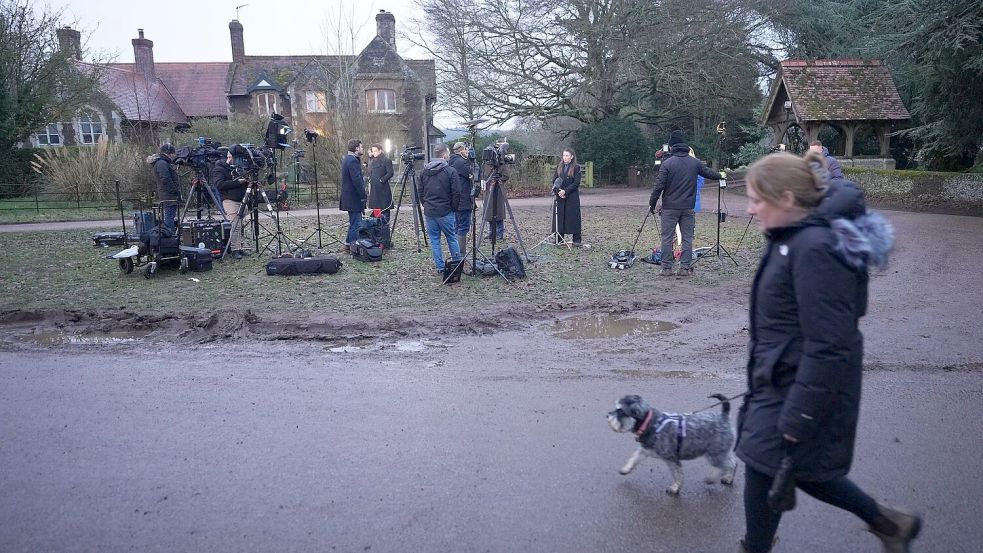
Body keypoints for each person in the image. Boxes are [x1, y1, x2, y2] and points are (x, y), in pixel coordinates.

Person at [736, 150, 920, 553]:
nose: (750, 211)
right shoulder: (793, 237)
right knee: (798, 468)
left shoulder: (816, 248)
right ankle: (889, 523)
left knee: (764, 465)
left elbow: (831, 343)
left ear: (786, 199)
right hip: (781, 378)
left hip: (799, 387)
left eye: (756, 200)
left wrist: (799, 414)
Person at [649, 131, 722, 276]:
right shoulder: (695, 163)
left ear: (671, 147)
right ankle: (684, 268)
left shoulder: (667, 163)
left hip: (669, 207)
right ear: (686, 147)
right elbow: (710, 174)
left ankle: (666, 268)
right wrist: (721, 175)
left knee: (667, 238)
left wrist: (652, 203)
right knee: (687, 238)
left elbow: (659, 186)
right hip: (688, 207)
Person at [417, 143, 462, 274]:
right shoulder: (450, 171)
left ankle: (440, 267)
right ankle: (457, 264)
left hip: (430, 211)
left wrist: (425, 204)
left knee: (435, 240)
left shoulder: (424, 171)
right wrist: (453, 208)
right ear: (444, 154)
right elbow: (456, 192)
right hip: (445, 211)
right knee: (451, 238)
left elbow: (420, 190)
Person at [211, 150, 249, 259]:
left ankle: (239, 247)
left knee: (239, 225)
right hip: (229, 200)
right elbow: (220, 185)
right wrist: (238, 182)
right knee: (235, 225)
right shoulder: (219, 169)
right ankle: (235, 249)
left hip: (241, 200)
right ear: (229, 157)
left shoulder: (238, 169)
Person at [340, 139, 367, 252]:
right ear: (356, 148)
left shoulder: (347, 159)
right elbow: (357, 180)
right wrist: (363, 195)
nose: (362, 149)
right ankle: (353, 247)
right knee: (356, 223)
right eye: (361, 147)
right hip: (353, 197)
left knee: (353, 222)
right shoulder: (353, 161)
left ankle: (347, 244)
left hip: (349, 197)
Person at [553, 147, 583, 246]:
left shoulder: (576, 167)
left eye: (567, 156)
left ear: (572, 157)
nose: (565, 158)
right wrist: (558, 191)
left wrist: (565, 191)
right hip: (560, 197)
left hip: (572, 197)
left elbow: (576, 183)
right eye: (564, 155)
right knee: (560, 217)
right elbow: (554, 180)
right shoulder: (559, 166)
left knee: (573, 217)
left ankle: (577, 240)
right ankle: (559, 239)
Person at [449, 142, 474, 257]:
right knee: (463, 227)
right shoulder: (460, 163)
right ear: (460, 150)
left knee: (456, 226)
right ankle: (460, 254)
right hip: (463, 200)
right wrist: (471, 160)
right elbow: (472, 174)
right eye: (465, 149)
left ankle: (456, 252)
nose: (467, 151)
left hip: (455, 200)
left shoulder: (451, 162)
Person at [483, 138, 510, 241]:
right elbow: (485, 177)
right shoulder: (486, 165)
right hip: (489, 192)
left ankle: (499, 234)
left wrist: (499, 182)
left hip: (498, 192)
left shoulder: (501, 164)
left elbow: (506, 176)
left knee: (498, 214)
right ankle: (491, 233)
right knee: (489, 214)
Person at [150, 143, 181, 232]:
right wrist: (175, 190)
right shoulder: (162, 164)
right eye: (172, 153)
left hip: (167, 194)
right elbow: (165, 179)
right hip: (168, 195)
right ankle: (169, 235)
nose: (173, 156)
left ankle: (169, 234)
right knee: (169, 216)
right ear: (168, 153)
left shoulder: (162, 163)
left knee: (170, 215)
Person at [367, 143, 394, 223]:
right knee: (376, 208)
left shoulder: (386, 160)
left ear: (380, 151)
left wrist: (382, 180)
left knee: (384, 208)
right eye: (373, 151)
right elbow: (370, 172)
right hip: (374, 189)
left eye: (375, 151)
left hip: (383, 189)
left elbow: (390, 173)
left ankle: (384, 225)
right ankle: (377, 224)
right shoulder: (372, 161)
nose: (374, 153)